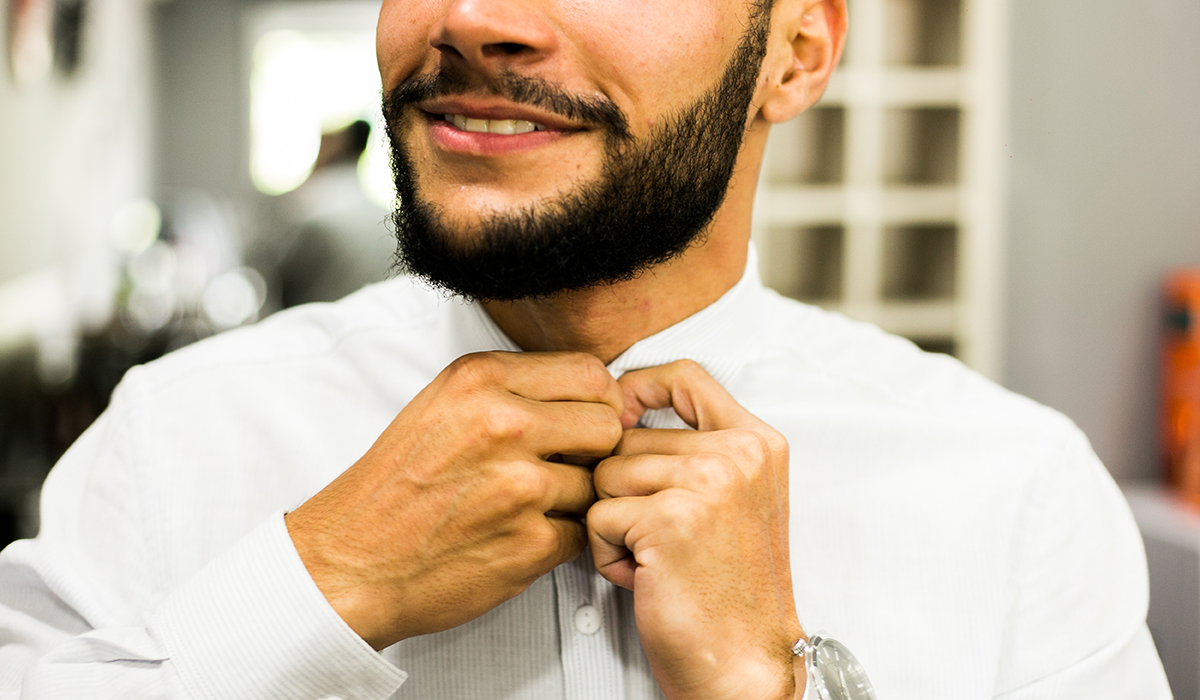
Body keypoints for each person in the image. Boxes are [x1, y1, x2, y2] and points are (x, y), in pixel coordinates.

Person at [0, 0, 1170, 698]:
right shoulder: (171, 441)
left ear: (796, 52)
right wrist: (323, 585)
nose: (472, 17)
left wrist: (767, 686)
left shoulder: (1018, 497)